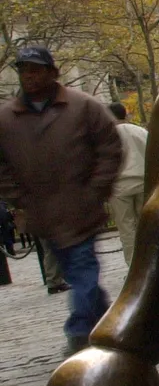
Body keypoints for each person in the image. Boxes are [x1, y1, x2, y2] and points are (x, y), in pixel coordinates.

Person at [0, 47, 123, 355]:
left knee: (82, 269)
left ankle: (79, 331)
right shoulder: (6, 118)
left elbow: (110, 147)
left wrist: (96, 189)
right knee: (76, 272)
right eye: (24, 69)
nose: (29, 75)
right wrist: (17, 197)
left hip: (81, 208)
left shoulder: (83, 107)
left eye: (36, 69)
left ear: (52, 72)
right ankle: (106, 316)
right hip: (42, 214)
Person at [107, 102, 149, 267]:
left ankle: (134, 266)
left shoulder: (106, 136)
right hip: (142, 180)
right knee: (145, 225)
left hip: (119, 186)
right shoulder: (140, 131)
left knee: (127, 229)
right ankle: (149, 260)